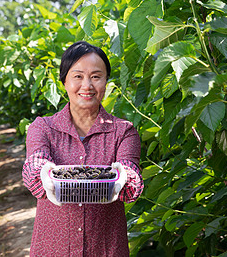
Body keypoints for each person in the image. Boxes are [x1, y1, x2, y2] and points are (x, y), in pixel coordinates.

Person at [22, 41, 144, 256]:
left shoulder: (123, 132)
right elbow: (36, 163)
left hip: (105, 248)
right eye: (77, 76)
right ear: (64, 82)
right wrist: (44, 174)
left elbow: (130, 176)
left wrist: (124, 177)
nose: (87, 85)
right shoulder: (43, 127)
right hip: (53, 248)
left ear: (106, 82)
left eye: (96, 77)